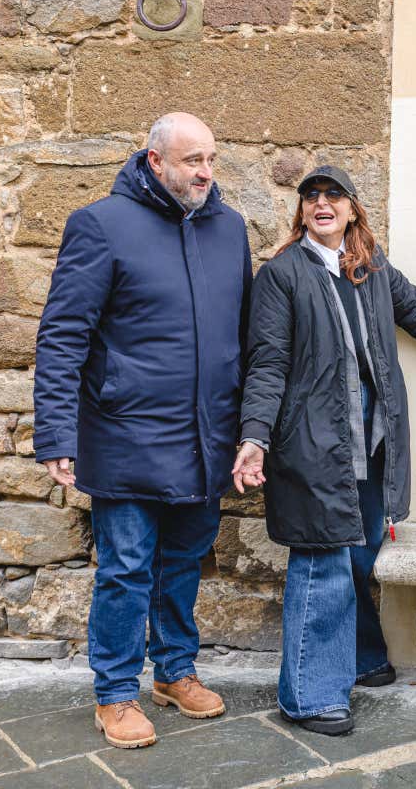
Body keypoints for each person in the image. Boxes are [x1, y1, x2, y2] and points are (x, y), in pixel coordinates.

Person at [232, 166, 416, 736]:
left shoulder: (370, 267)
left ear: (353, 208)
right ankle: (310, 697)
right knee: (322, 560)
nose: (321, 203)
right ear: (302, 211)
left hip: (371, 442)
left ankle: (362, 656)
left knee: (359, 551)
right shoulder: (282, 275)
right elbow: (267, 363)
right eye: (311, 196)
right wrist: (254, 436)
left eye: (333, 195)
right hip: (313, 442)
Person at [33, 112, 251, 749]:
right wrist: (56, 432)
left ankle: (174, 672)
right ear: (155, 161)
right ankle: (115, 692)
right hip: (125, 433)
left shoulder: (229, 228)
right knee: (126, 569)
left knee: (183, 562)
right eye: (192, 160)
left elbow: (243, 337)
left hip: (206, 437)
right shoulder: (100, 225)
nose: (205, 172)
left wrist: (247, 427)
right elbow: (63, 335)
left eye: (211, 159)